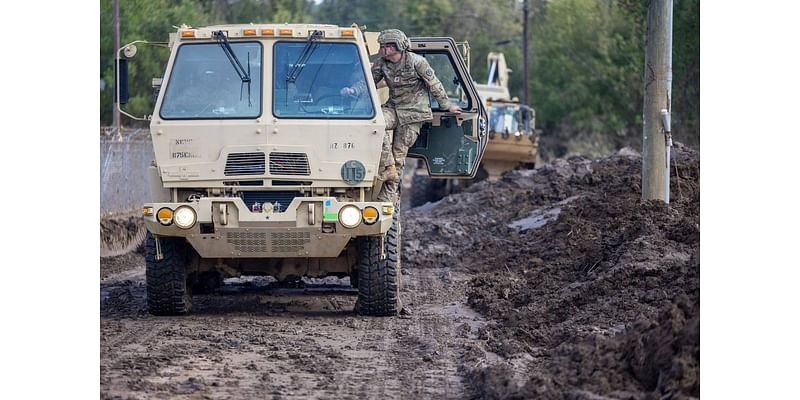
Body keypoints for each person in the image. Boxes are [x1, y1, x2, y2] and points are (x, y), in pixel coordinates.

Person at [341, 29, 462, 203]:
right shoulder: (382, 64)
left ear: (399, 46)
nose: (384, 49)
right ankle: (387, 166)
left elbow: (434, 84)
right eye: (382, 46)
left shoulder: (417, 62)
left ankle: (387, 199)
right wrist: (353, 90)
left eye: (388, 46)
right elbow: (368, 82)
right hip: (394, 108)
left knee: (399, 159)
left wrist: (447, 105)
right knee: (374, 123)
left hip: (414, 113)